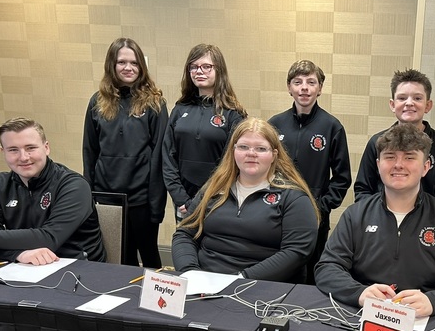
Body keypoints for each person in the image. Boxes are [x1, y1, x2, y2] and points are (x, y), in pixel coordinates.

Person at [315, 123, 435, 317]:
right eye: (390, 156)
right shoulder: (355, 215)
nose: (399, 165)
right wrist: (359, 293)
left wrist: (433, 301)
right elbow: (327, 268)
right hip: (363, 316)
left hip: (427, 320)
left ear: (426, 166)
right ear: (378, 165)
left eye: (410, 157)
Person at [171, 117, 319, 283]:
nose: (251, 153)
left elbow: (296, 252)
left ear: (274, 155)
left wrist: (242, 279)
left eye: (261, 149)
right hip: (203, 282)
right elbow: (184, 233)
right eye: (243, 147)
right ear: (233, 151)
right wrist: (189, 272)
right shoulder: (213, 189)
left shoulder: (294, 198)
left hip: (259, 287)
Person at [0, 117, 105, 265]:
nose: (23, 157)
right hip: (22, 269)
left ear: (46, 148)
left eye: (30, 148)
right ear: (2, 151)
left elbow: (49, 238)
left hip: (79, 272)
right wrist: (18, 254)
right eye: (13, 150)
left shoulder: (73, 185)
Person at [83, 37, 168, 267]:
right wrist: (89, 197)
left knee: (150, 257)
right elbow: (89, 151)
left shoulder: (154, 103)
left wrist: (156, 204)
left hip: (142, 198)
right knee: (119, 258)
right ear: (112, 64)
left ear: (141, 66)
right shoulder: (97, 102)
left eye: (134, 63)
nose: (128, 68)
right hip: (107, 198)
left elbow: (160, 155)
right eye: (122, 62)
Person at [268, 60, 351, 284]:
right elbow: (265, 168)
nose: (304, 87)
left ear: (320, 88)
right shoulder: (275, 125)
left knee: (312, 271)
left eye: (311, 82)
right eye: (298, 82)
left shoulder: (332, 126)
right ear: (289, 87)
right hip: (276, 212)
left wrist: (322, 207)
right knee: (279, 268)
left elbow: (342, 178)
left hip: (316, 215)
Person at [162, 44, 247, 221]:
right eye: (193, 67)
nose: (199, 71)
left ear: (219, 70)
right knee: (185, 246)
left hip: (217, 200)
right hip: (183, 202)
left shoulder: (233, 114)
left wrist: (206, 197)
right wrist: (180, 198)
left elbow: (231, 162)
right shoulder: (180, 109)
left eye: (206, 66)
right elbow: (168, 157)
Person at [354, 68, 435, 207]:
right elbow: (363, 189)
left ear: (428, 105)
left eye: (417, 98)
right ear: (392, 104)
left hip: (428, 225)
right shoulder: (377, 142)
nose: (409, 103)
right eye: (402, 98)